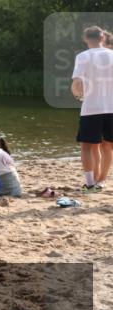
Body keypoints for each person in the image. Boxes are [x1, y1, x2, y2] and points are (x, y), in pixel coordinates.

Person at [71, 26, 113, 192]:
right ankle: (101, 180)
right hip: (111, 107)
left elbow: (76, 83)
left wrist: (78, 95)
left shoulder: (82, 57)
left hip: (91, 108)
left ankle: (90, 184)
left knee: (87, 146)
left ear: (86, 39)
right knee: (108, 146)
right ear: (102, 37)